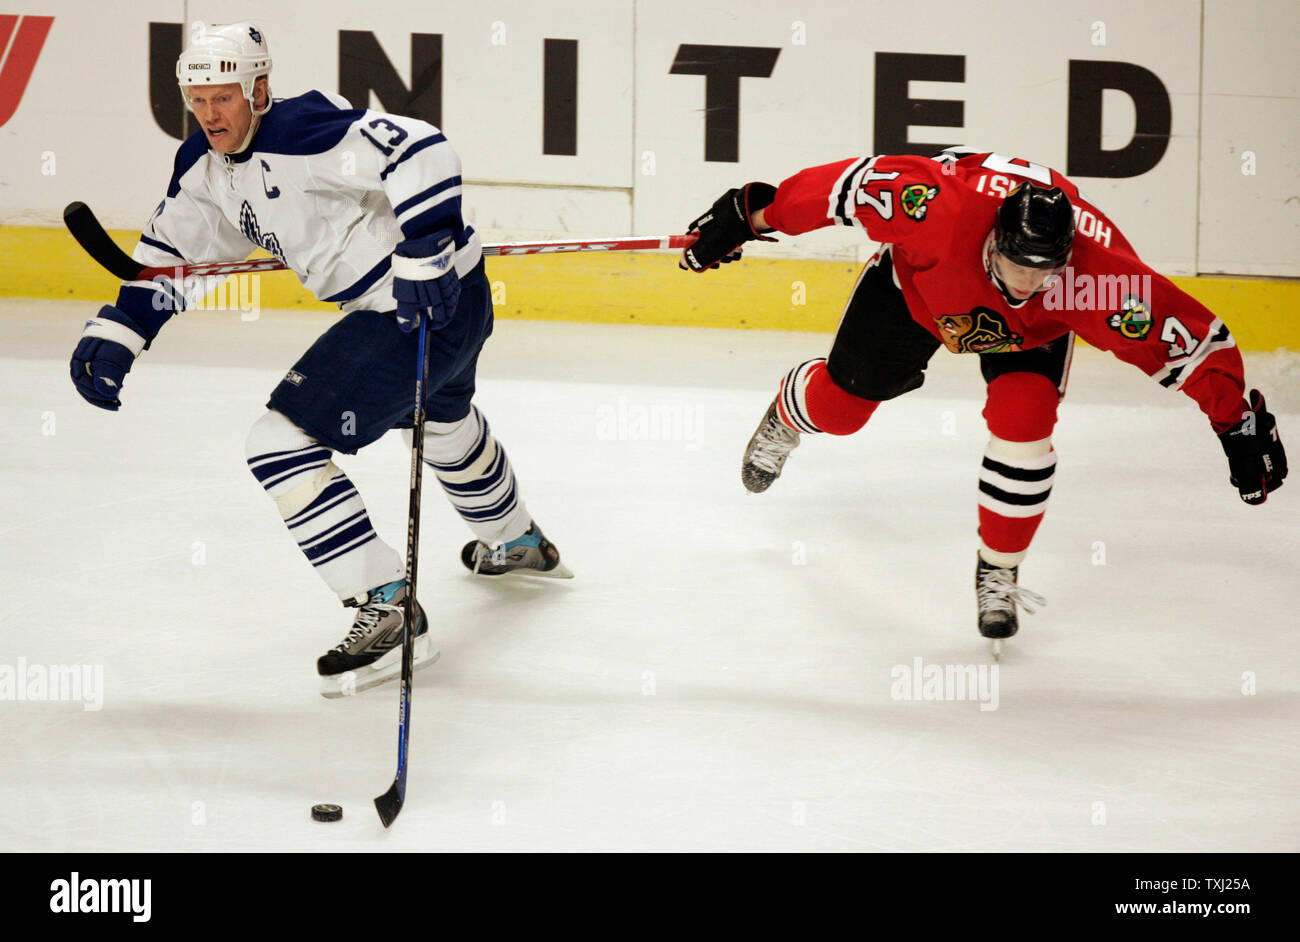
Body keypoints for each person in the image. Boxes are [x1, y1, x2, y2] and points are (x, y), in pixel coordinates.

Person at [68, 21, 571, 697]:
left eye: (224, 96)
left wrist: (423, 247)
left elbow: (422, 146)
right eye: (198, 98)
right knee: (443, 421)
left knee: (277, 442)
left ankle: (387, 604)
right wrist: (122, 330)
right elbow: (178, 253)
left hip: (415, 304)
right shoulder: (204, 166)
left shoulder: (305, 131)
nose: (209, 112)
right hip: (456, 301)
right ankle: (515, 540)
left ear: (259, 88)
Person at [680, 148, 1287, 655]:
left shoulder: (1099, 279)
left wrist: (1236, 422)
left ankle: (999, 566)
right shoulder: (937, 211)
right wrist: (751, 216)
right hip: (921, 292)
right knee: (842, 409)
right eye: (1014, 266)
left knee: (1024, 424)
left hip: (1034, 336)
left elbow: (1190, 341)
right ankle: (790, 415)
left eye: (1041, 273)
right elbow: (849, 185)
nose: (1023, 285)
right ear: (994, 235)